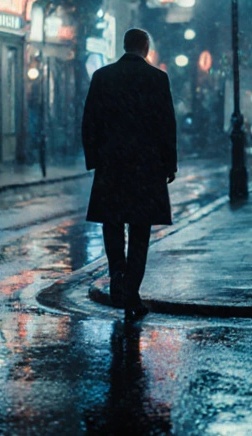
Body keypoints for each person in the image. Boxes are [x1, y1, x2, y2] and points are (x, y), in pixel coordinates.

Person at [82, 28, 178, 319]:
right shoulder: (157, 78)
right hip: (146, 169)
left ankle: (117, 279)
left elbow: (89, 122)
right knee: (140, 232)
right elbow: (167, 125)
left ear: (124, 46)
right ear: (145, 48)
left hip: (112, 167)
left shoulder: (102, 77)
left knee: (112, 227)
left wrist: (96, 159)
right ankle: (132, 291)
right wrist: (168, 164)